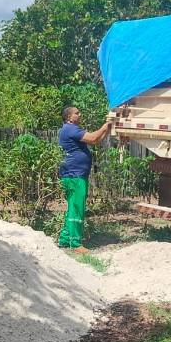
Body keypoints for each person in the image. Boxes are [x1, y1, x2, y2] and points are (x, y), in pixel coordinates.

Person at [57, 106, 112, 254]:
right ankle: (75, 244)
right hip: (74, 175)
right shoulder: (70, 129)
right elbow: (94, 137)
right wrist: (105, 126)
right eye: (77, 113)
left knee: (73, 207)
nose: (79, 115)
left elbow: (96, 141)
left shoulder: (70, 129)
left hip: (73, 175)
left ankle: (64, 239)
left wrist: (107, 128)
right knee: (77, 208)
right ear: (69, 117)